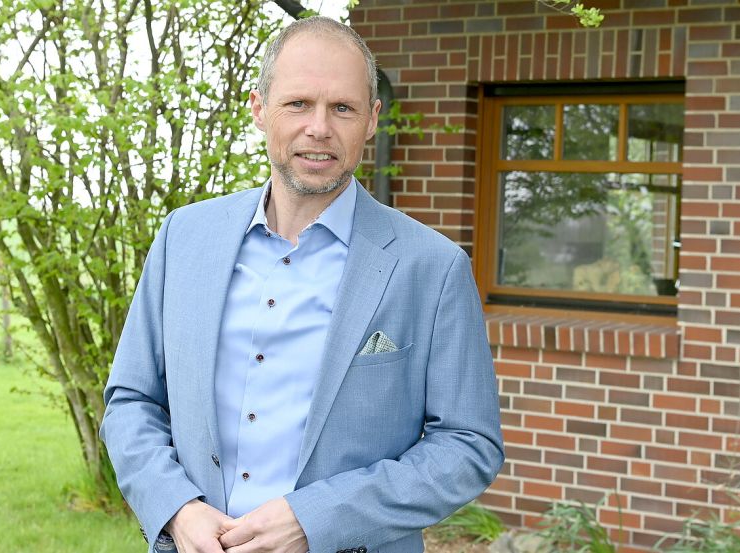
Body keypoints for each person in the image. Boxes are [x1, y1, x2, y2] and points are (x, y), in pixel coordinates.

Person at [100, 16, 504, 553]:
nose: (319, 127)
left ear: (372, 119)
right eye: (298, 104)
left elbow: (468, 446)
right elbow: (131, 401)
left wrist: (314, 519)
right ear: (259, 108)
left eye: (342, 107)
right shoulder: (184, 238)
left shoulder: (432, 267)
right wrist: (176, 509)